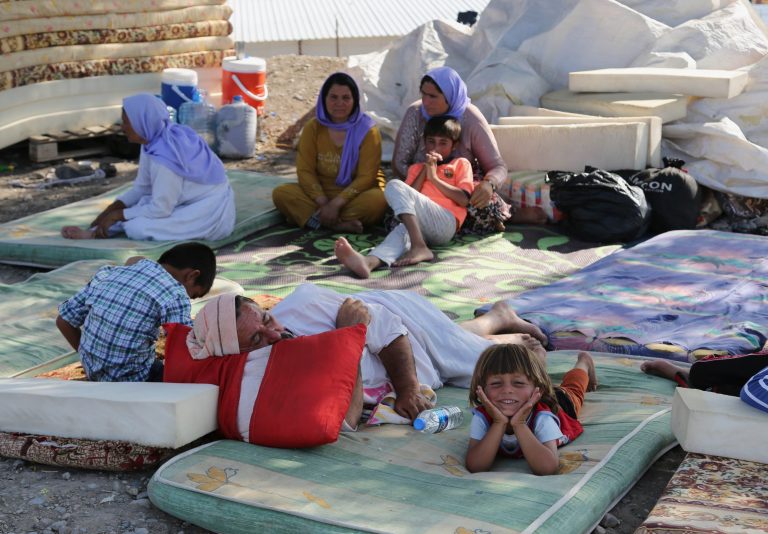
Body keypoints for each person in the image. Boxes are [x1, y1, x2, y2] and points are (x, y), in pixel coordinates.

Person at [189, 283, 548, 422]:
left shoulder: (306, 303)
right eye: (256, 339)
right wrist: (349, 336)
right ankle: (501, 319)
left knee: (519, 373)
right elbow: (342, 423)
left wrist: (407, 390)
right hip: (411, 349)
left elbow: (390, 331)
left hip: (403, 320)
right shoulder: (257, 378)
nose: (275, 332)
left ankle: (502, 321)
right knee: (458, 352)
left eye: (267, 318)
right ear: (238, 355)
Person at [61, 93, 235, 241]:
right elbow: (142, 188)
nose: (122, 128)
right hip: (184, 200)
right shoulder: (152, 140)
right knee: (142, 204)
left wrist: (117, 215)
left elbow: (161, 209)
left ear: (141, 122)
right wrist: (111, 210)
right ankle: (96, 232)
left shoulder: (165, 158)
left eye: (126, 122)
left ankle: (104, 230)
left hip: (210, 209)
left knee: (138, 227)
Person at [392, 66, 546, 230]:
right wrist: (426, 182)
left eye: (433, 96)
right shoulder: (415, 113)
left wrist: (488, 185)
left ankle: (506, 215)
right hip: (421, 183)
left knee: (481, 203)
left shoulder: (470, 118)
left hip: (460, 186)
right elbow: (399, 164)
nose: (426, 102)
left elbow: (497, 166)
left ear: (449, 97)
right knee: (395, 207)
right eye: (423, 94)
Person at [334, 116, 474, 277]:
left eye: (443, 143)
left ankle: (418, 246)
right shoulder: (416, 168)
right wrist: (425, 170)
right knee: (400, 233)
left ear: (454, 145)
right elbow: (406, 197)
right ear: (424, 143)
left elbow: (464, 200)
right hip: (419, 227)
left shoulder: (461, 164)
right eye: (431, 142)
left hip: (445, 223)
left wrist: (434, 178)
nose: (436, 148)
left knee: (394, 185)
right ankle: (369, 262)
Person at [56, 242, 216, 382]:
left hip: (94, 373)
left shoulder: (109, 273)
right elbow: (185, 348)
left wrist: (89, 358)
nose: (189, 299)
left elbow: (63, 321)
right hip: (134, 381)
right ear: (192, 276)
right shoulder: (174, 293)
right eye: (192, 295)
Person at [272, 72, 387, 233]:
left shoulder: (368, 130)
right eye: (333, 97)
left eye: (346, 98)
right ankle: (338, 224)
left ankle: (316, 220)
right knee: (282, 193)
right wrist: (323, 202)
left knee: (378, 200)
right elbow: (305, 170)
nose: (339, 103)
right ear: (323, 99)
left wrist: (336, 204)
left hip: (355, 195)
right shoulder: (313, 127)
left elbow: (367, 177)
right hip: (319, 194)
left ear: (355, 101)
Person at [465, 345, 596, 475]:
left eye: (518, 383)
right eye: (496, 383)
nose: (507, 390)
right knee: (531, 372)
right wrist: (499, 423)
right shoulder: (482, 416)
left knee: (574, 387)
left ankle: (584, 362)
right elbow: (476, 466)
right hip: (530, 391)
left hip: (559, 403)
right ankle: (538, 355)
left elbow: (547, 468)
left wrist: (519, 424)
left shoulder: (543, 418)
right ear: (481, 389)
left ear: (537, 389)